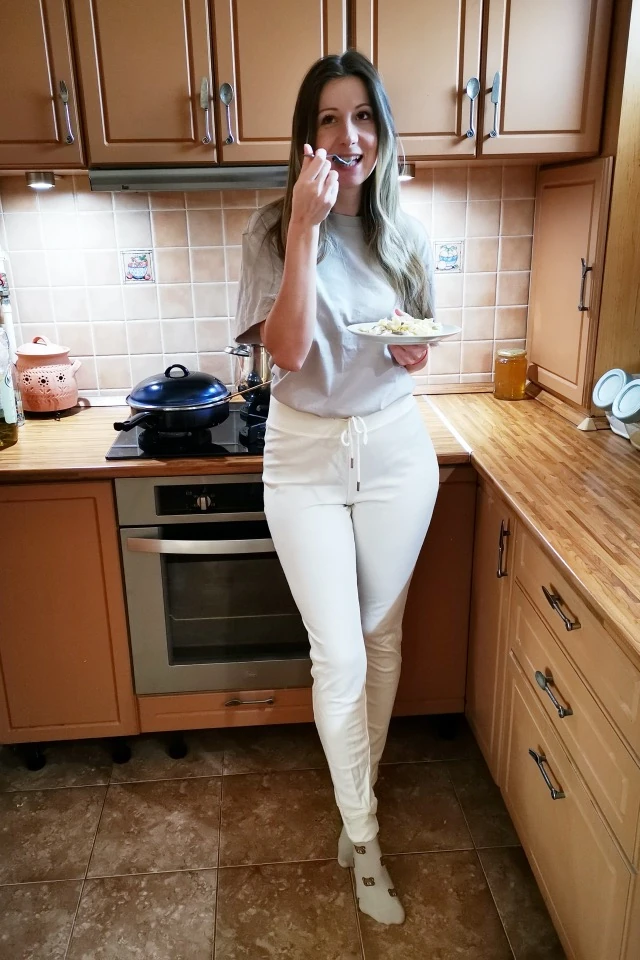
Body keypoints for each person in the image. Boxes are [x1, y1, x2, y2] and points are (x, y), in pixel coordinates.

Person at [233, 50, 439, 926]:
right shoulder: (271, 229)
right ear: (307, 137)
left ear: (380, 132)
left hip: (394, 450)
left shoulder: (405, 233)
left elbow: (416, 338)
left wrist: (414, 348)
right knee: (341, 655)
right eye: (327, 118)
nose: (347, 135)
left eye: (362, 117)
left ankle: (359, 803)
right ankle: (366, 837)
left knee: (381, 638)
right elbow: (285, 353)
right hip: (305, 457)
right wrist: (307, 231)